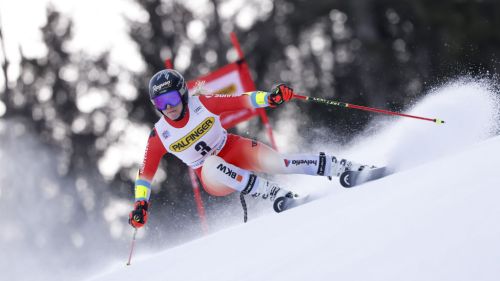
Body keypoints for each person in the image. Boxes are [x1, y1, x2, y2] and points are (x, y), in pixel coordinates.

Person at [128, 69, 372, 228]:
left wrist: (271, 97)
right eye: (161, 102)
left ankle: (342, 167)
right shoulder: (160, 134)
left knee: (280, 164)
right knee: (212, 164)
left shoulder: (202, 103)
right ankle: (273, 193)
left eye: (171, 98)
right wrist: (141, 205)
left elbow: (242, 98)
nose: (168, 107)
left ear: (182, 94)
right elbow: (145, 175)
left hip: (233, 148)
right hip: (210, 175)